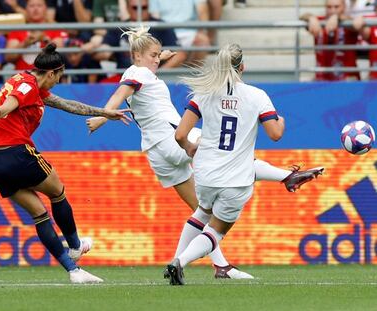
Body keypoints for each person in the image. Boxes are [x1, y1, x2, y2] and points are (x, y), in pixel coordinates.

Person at [86, 27, 324, 279]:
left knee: (201, 211)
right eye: (153, 55)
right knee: (231, 154)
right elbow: (120, 93)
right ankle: (286, 176)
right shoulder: (139, 72)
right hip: (173, 141)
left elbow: (138, 79)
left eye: (158, 55)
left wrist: (162, 56)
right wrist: (103, 116)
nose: (156, 59)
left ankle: (207, 265)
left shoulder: (142, 71)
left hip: (156, 152)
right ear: (136, 55)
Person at [0, 43, 131, 284]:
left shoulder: (29, 83)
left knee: (39, 214)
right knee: (58, 191)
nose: (58, 82)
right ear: (51, 73)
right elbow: (4, 110)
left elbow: (68, 105)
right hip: (17, 153)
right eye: (59, 76)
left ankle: (74, 271)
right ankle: (74, 245)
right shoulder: (27, 87)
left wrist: (105, 112)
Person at [166, 43, 285, 285]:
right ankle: (181, 261)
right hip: (235, 179)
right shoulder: (256, 95)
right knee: (216, 230)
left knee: (203, 212)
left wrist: (189, 148)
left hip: (205, 175)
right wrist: (280, 120)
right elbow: (275, 134)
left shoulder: (205, 94)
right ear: (243, 67)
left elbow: (180, 135)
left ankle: (177, 259)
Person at [92, 0, 186, 80]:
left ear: (149, 7)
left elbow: (179, 54)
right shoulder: (119, 27)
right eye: (135, 8)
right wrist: (97, 49)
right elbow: (105, 50)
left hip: (153, 80)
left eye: (144, 7)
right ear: (128, 8)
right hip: (125, 78)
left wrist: (156, 74)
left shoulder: (160, 26)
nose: (140, 11)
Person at [300, 0, 360, 81]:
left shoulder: (348, 21)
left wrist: (338, 17)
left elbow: (355, 24)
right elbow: (302, 17)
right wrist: (311, 18)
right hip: (323, 79)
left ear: (344, 7)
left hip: (347, 79)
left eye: (336, 7)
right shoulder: (320, 21)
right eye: (329, 7)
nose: (332, 10)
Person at [5, 0, 67, 71]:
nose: (35, 9)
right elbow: (8, 57)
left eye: (39, 5)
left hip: (47, 79)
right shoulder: (17, 30)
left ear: (45, 8)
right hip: (22, 79)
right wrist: (24, 44)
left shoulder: (54, 29)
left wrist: (46, 41)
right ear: (26, 9)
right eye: (32, 6)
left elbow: (62, 56)